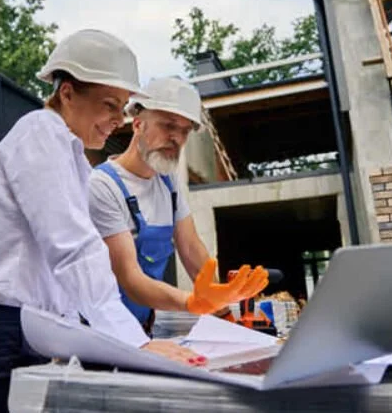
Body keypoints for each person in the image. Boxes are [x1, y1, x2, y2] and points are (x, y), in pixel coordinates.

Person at [0, 31, 252, 413]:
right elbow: (74, 250)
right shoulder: (40, 135)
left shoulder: (72, 156)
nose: (117, 121)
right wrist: (134, 344)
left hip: (25, 337)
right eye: (109, 105)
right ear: (67, 93)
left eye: (122, 107)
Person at [88, 76, 268, 335]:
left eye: (184, 130)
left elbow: (193, 250)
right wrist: (191, 302)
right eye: (168, 125)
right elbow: (130, 279)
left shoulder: (168, 182)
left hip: (141, 329)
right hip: (100, 334)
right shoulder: (103, 186)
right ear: (138, 123)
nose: (177, 138)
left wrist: (222, 307)